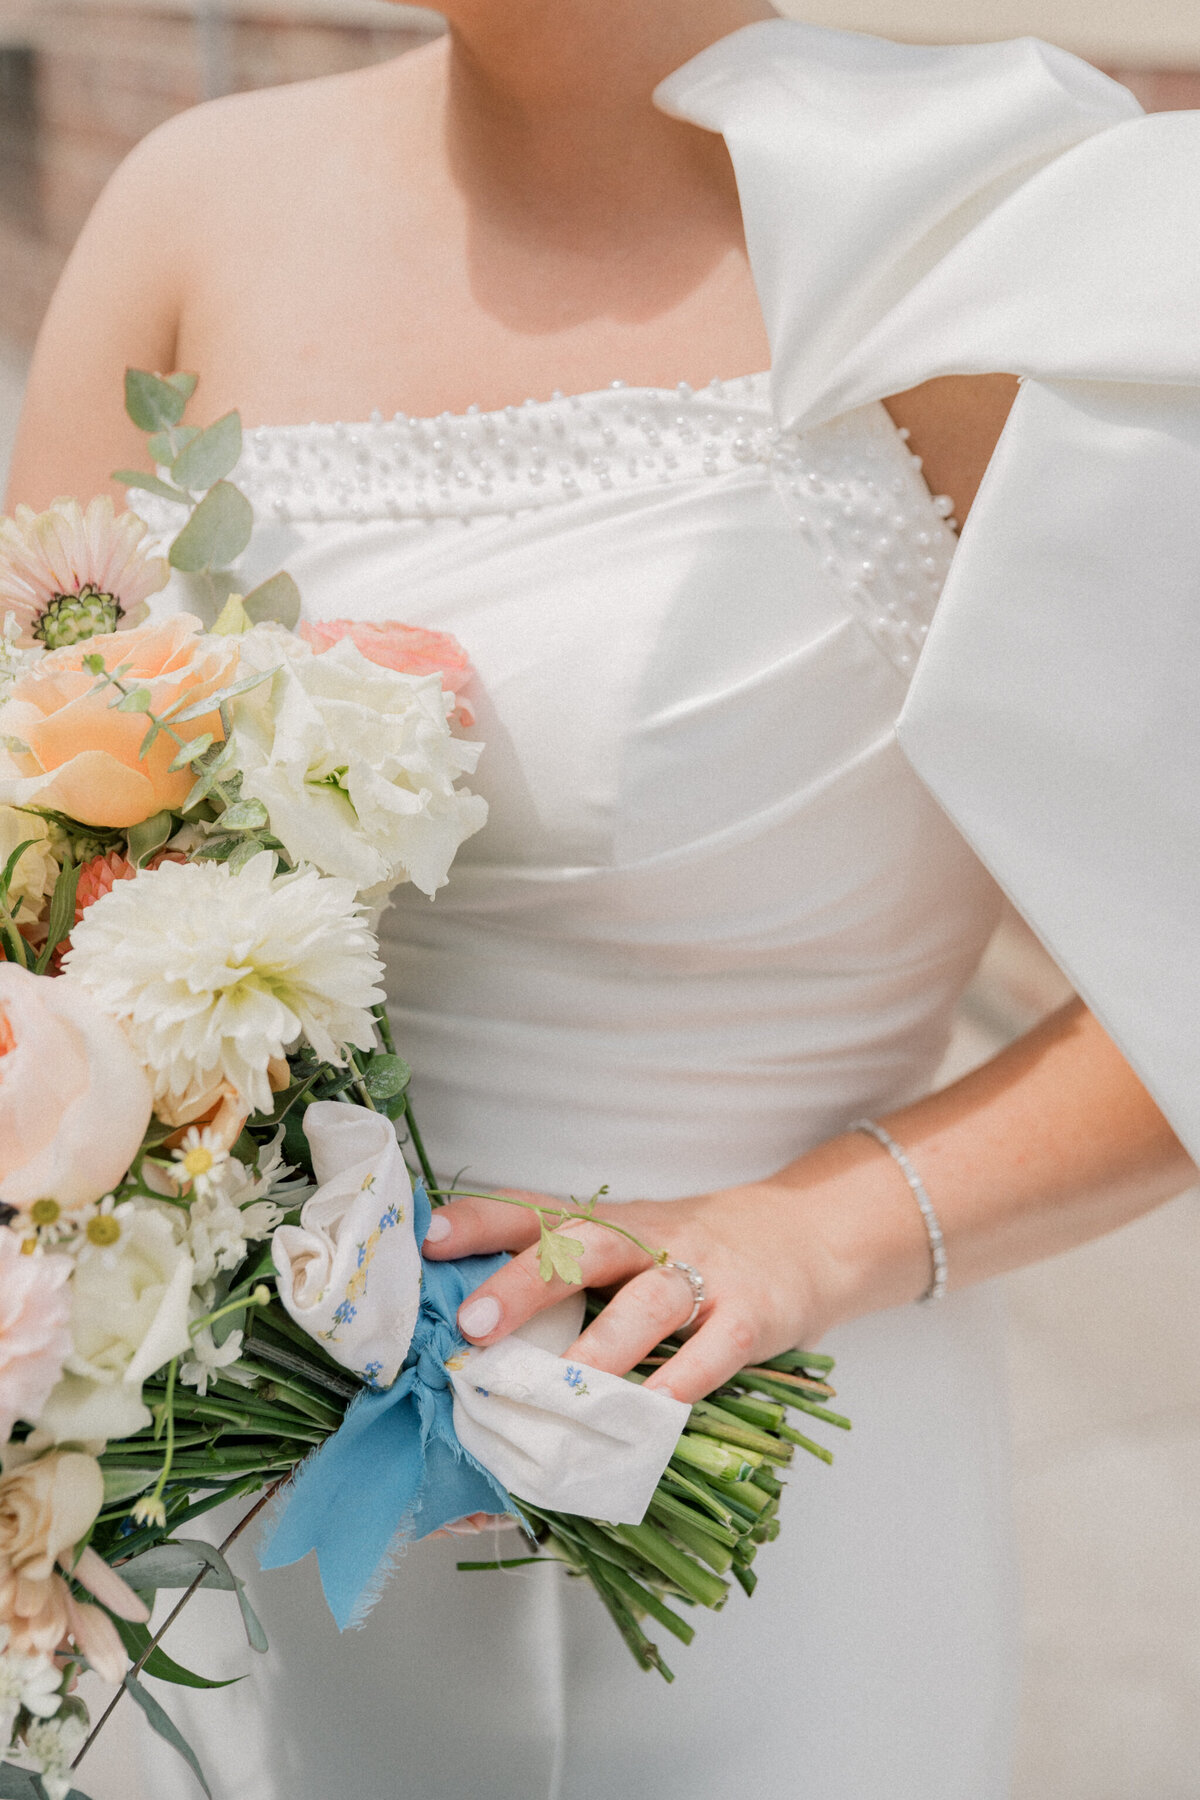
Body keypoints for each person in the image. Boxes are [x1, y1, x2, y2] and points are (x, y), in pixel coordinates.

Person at [7, 4, 1197, 1796]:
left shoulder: (990, 227)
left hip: (746, 1474)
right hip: (213, 1493)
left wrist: (817, 1233)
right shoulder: (196, 200)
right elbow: (38, 836)